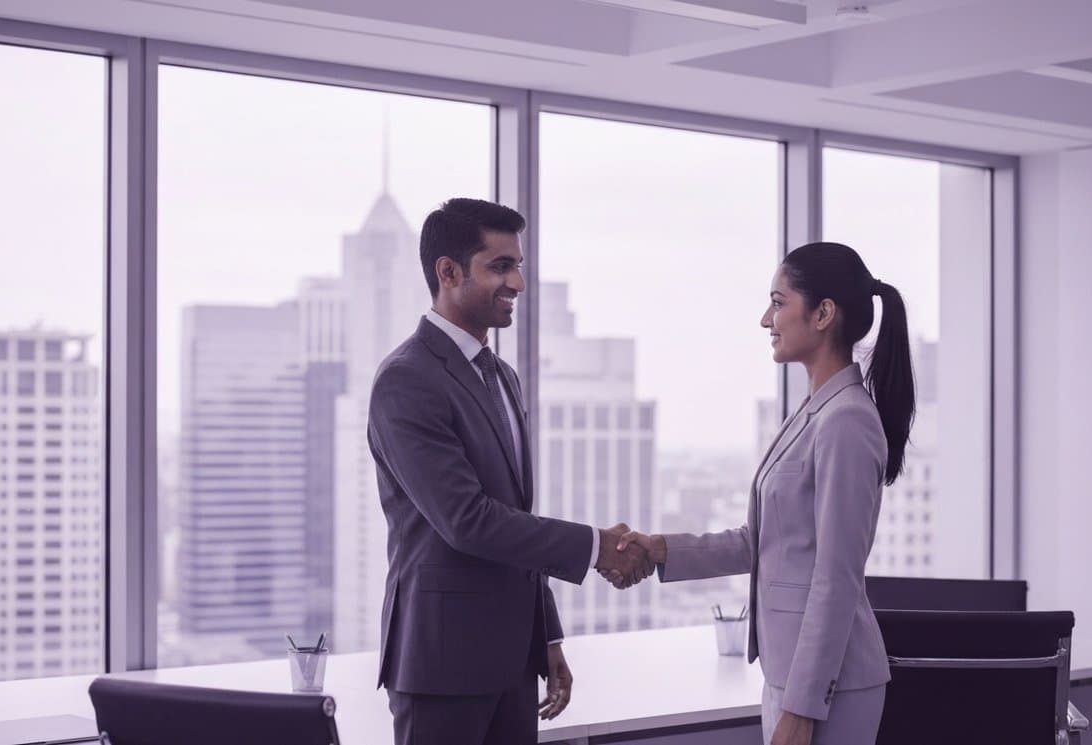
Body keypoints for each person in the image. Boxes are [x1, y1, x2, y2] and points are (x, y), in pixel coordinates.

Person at [367, 198, 654, 745]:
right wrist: (597, 547)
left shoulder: (502, 376)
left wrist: (546, 636)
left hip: (512, 664)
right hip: (442, 667)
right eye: (500, 266)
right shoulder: (407, 380)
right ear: (447, 273)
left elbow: (514, 517)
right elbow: (468, 520)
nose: (518, 282)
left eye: (517, 265)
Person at [611, 241, 916, 745]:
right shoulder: (815, 411)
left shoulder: (846, 422)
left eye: (778, 303)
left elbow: (836, 576)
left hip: (827, 688)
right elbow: (760, 540)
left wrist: (802, 705)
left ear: (823, 314)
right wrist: (661, 548)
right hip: (792, 675)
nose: (765, 319)